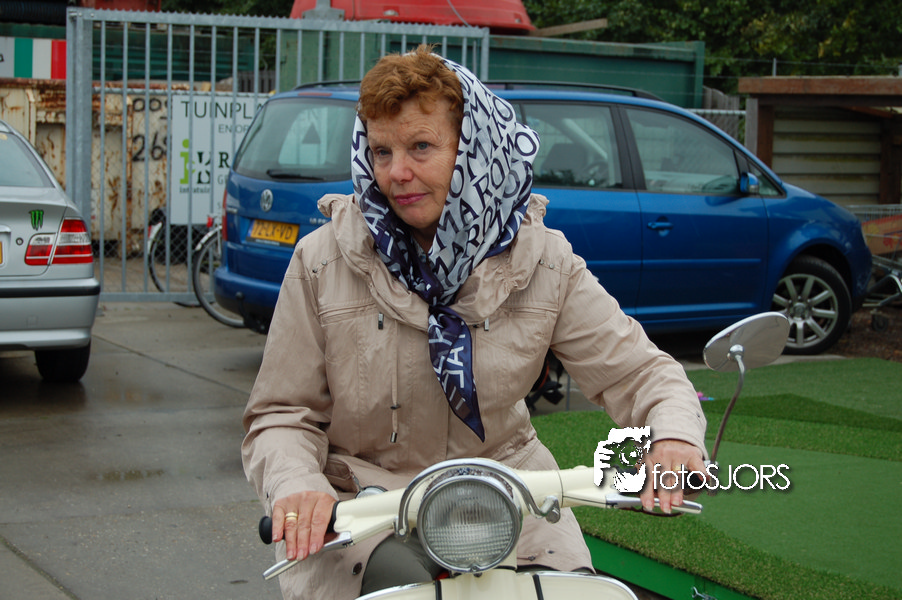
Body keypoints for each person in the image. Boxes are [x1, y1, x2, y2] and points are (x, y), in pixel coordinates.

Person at [242, 44, 708, 600]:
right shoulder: (323, 261)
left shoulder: (544, 261)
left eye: (421, 146)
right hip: (368, 507)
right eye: (382, 151)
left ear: (475, 150)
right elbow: (281, 413)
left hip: (509, 497)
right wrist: (296, 483)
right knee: (400, 584)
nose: (397, 173)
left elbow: (640, 372)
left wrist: (674, 436)